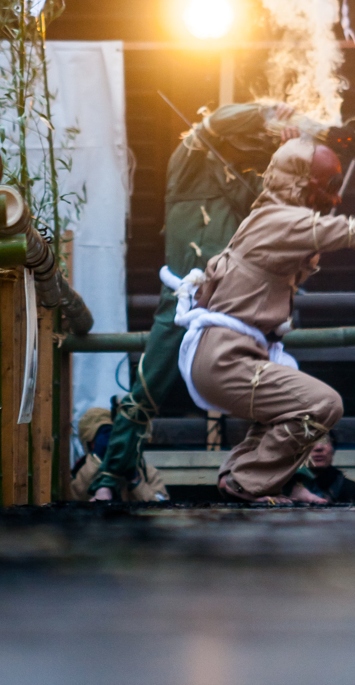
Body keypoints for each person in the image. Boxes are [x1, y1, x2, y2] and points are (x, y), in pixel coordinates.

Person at [161, 137, 355, 504]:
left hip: (228, 354)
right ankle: (247, 480)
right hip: (226, 358)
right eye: (330, 187)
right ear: (302, 184)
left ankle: (245, 477)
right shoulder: (282, 221)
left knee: (285, 410)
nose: (336, 198)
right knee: (323, 404)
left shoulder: (267, 217)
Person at [90, 101, 302, 500]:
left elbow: (281, 205)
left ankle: (291, 479)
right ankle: (108, 479)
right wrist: (267, 110)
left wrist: (287, 154)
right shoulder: (188, 162)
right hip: (183, 299)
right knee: (147, 390)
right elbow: (212, 124)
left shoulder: (249, 180)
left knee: (274, 386)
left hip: (232, 305)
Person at [71, 407, 169, 502]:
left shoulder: (147, 472)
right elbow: (74, 497)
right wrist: (97, 461)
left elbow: (161, 511)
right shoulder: (80, 470)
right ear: (90, 444)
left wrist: (135, 481)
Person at [290, 433, 355, 504]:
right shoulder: (283, 486)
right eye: (310, 441)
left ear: (333, 449)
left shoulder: (351, 489)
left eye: (325, 441)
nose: (318, 447)